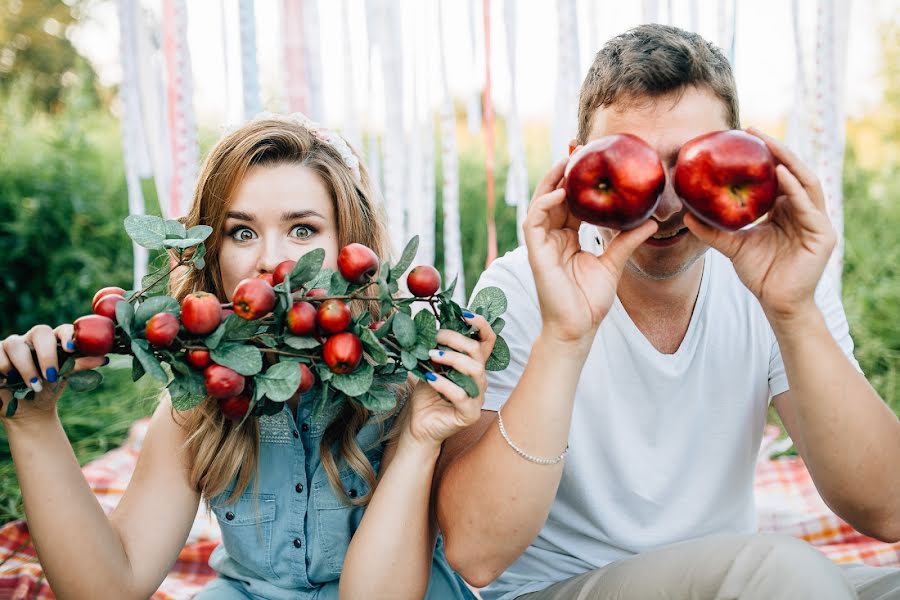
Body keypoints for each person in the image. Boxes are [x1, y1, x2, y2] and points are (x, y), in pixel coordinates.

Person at [435, 24, 900, 600]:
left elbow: (888, 510)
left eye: (691, 165)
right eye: (631, 165)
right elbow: (474, 552)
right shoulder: (521, 287)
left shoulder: (774, 277)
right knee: (787, 573)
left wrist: (794, 311)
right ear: (577, 168)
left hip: (740, 584)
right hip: (567, 589)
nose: (665, 203)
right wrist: (565, 334)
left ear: (747, 158)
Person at [0, 113, 494, 600]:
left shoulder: (410, 389)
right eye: (242, 232)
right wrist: (33, 424)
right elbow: (109, 588)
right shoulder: (200, 403)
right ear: (210, 254)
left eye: (302, 230)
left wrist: (416, 441)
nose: (269, 260)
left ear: (351, 248)